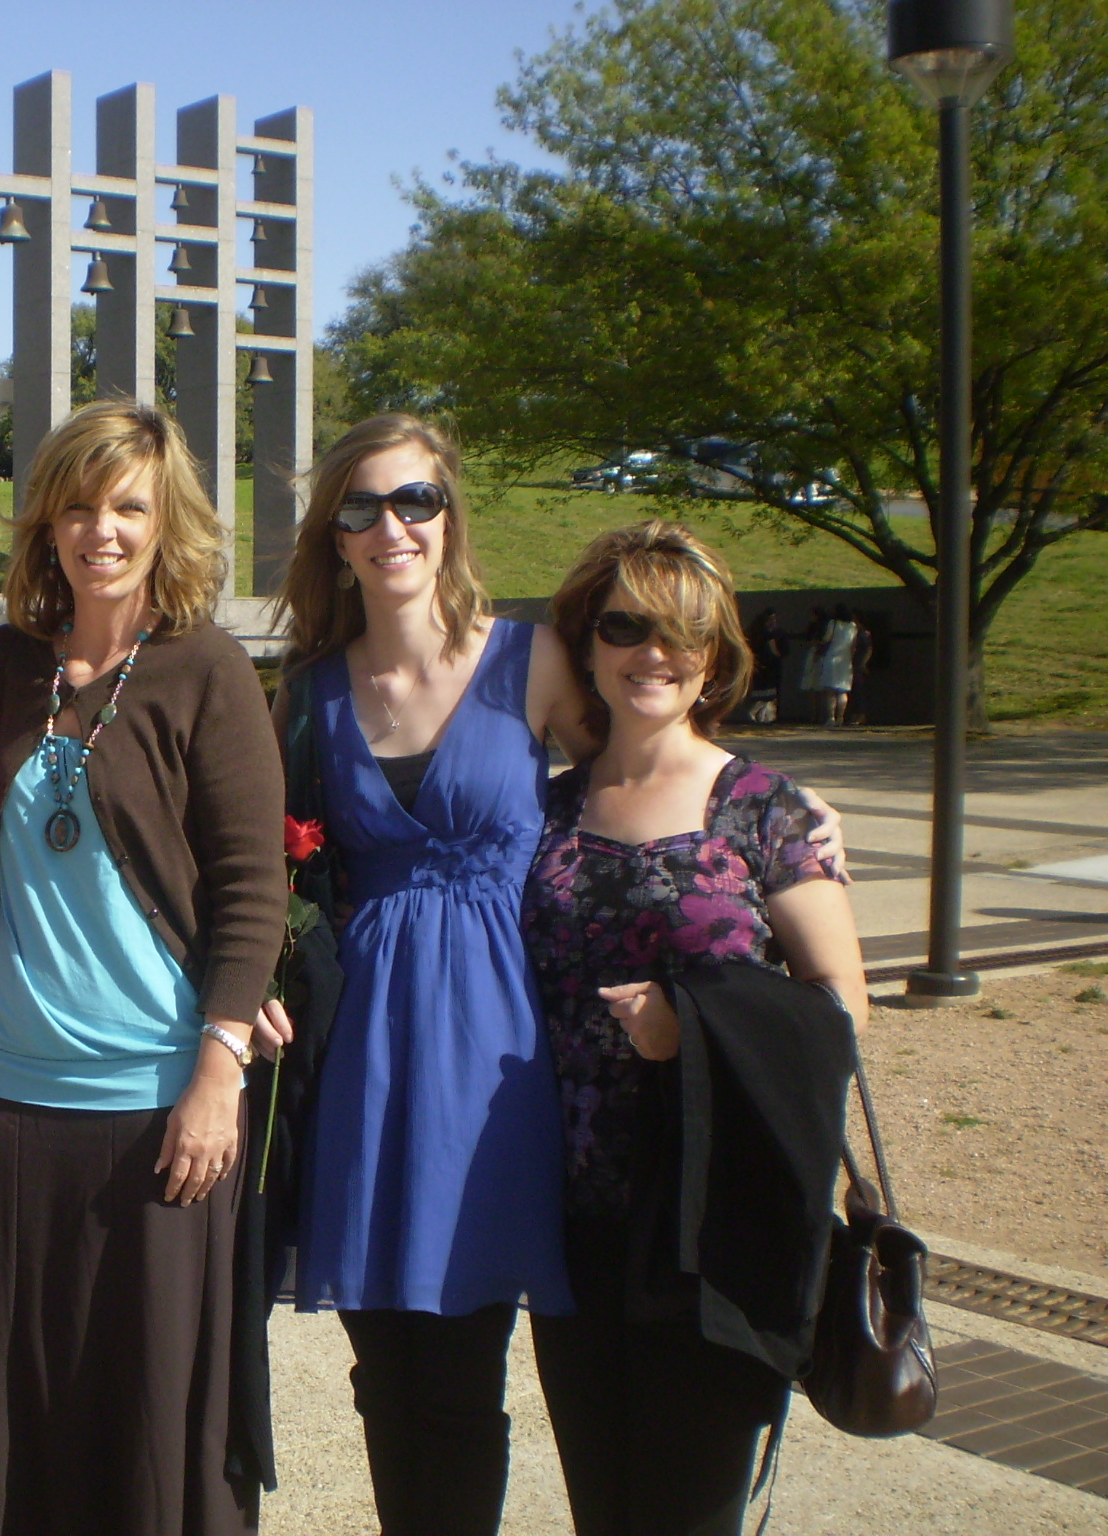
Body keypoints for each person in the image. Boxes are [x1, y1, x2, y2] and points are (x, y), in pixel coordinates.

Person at [265, 416, 846, 1536]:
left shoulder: (526, 660)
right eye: (362, 507)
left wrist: (782, 806)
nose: (392, 526)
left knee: (462, 1366)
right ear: (334, 535)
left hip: (496, 1049)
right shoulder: (312, 694)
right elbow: (260, 857)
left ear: (450, 516)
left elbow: (642, 760)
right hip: (366, 1054)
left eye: (415, 499)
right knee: (385, 1370)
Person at [0, 400, 286, 1536]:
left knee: (143, 1407)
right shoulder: (17, 661)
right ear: (47, 522)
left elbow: (251, 885)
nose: (102, 531)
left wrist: (218, 1069)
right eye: (78, 506)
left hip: (151, 1099)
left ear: (166, 522)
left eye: (128, 506)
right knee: (5, 1404)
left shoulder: (206, 668)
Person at [521, 520, 868, 1536]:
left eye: (682, 631)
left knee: (689, 1511)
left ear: (713, 657)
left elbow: (837, 1008)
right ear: (587, 646)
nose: (653, 652)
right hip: (578, 1213)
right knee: (603, 1505)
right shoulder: (544, 812)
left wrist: (693, 1030)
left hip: (718, 1219)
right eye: (624, 626)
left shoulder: (765, 811)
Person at [814, 603, 860, 725]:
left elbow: (826, 639)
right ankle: (840, 717)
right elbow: (853, 645)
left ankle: (831, 718)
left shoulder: (833, 624)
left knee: (830, 691)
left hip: (832, 658)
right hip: (845, 661)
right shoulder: (853, 626)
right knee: (842, 690)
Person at [742, 608, 783, 723]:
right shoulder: (769, 635)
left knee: (760, 692)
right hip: (769, 665)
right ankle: (762, 715)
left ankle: (759, 716)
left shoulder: (753, 633)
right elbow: (774, 650)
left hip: (757, 664)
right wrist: (779, 656)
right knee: (769, 694)